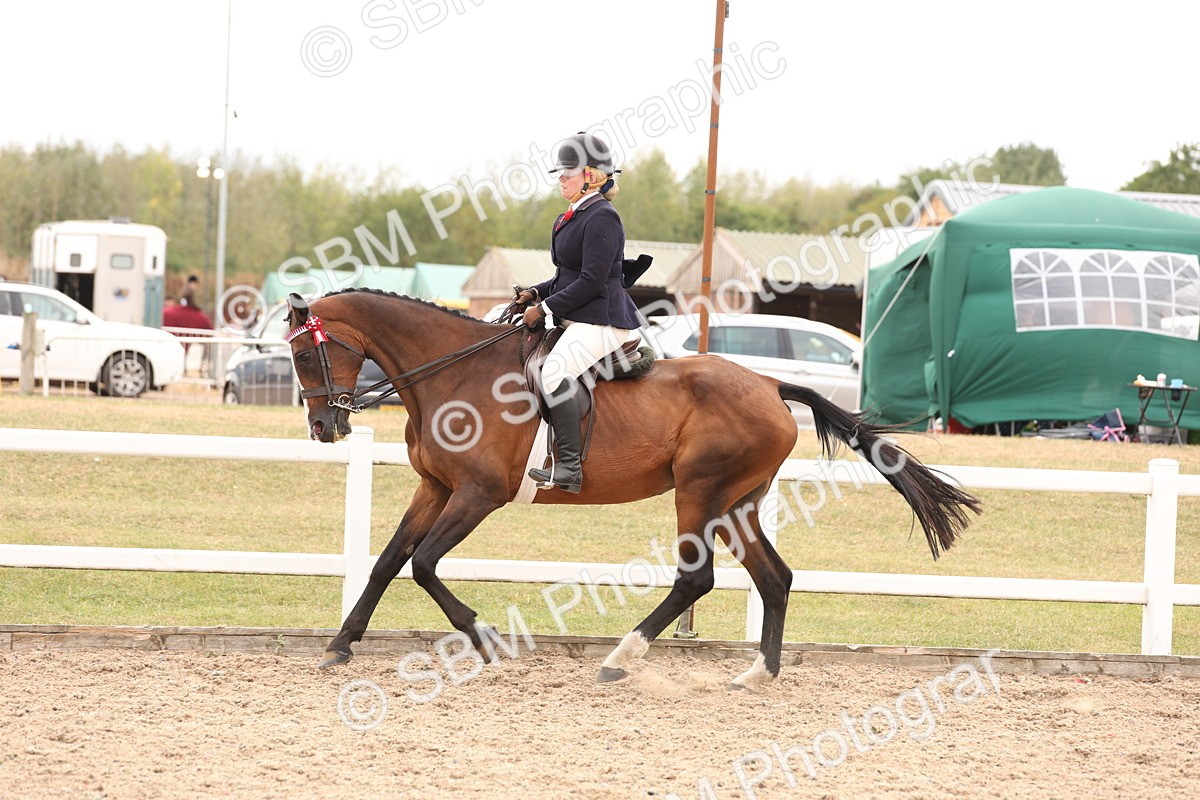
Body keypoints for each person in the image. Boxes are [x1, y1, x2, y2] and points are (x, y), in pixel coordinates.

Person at [515, 132, 641, 494]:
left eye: (567, 172)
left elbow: (591, 280)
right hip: (582, 317)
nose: (560, 179)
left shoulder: (603, 217)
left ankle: (568, 467)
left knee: (554, 371)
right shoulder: (573, 215)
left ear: (590, 175)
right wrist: (536, 292)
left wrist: (546, 308)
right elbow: (565, 276)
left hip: (605, 320)